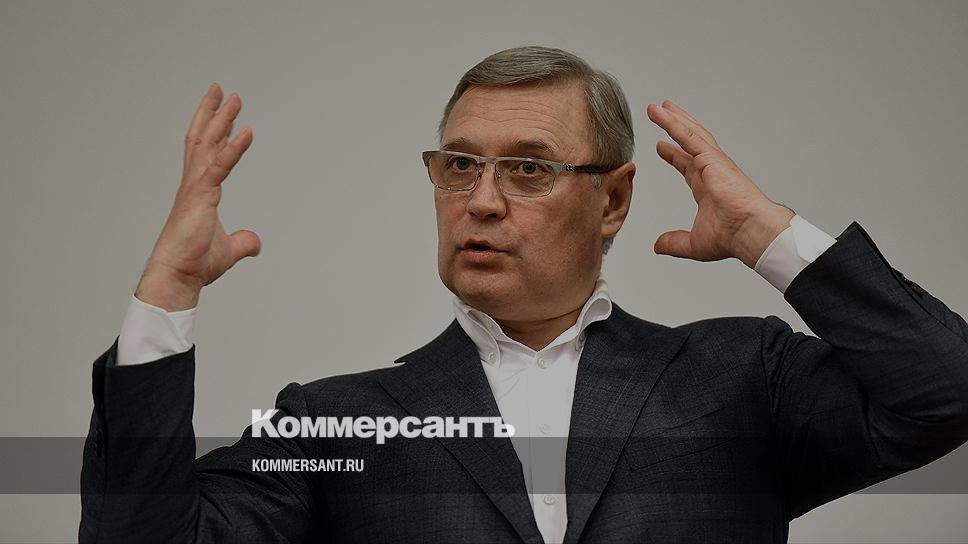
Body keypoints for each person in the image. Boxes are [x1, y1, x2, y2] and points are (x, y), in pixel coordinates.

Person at [79, 46, 968, 543]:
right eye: (459, 165)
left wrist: (766, 234)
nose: (481, 200)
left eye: (529, 170)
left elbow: (945, 389)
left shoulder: (743, 377)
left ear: (612, 200)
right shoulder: (335, 422)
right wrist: (168, 293)